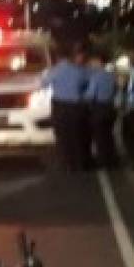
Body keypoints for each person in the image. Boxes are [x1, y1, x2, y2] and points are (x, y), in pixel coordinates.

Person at [42, 42, 88, 172]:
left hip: (60, 107)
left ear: (57, 58)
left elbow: (44, 85)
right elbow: (86, 84)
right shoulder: (79, 70)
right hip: (76, 107)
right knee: (77, 135)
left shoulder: (54, 71)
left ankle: (67, 164)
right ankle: (79, 163)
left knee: (63, 137)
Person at [83, 50, 120, 168]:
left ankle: (103, 161)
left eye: (92, 61)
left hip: (99, 108)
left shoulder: (96, 77)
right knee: (108, 135)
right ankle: (112, 159)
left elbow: (90, 95)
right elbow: (115, 91)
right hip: (110, 108)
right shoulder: (111, 76)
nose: (90, 64)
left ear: (99, 62)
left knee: (99, 136)